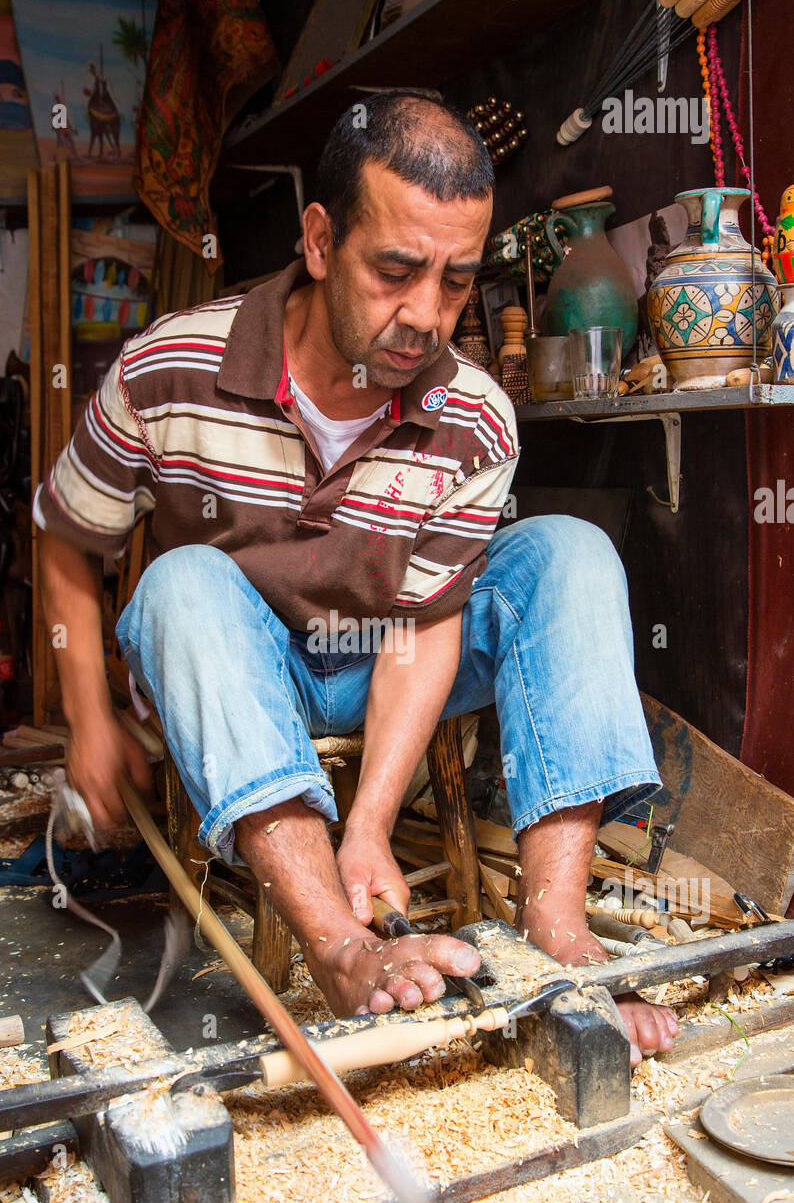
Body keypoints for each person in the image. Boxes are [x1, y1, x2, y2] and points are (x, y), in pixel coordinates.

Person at [34, 91, 677, 1065]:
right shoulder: (168, 368)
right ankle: (335, 947)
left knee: (570, 552)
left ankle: (558, 936)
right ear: (322, 239)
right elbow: (66, 540)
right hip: (239, 673)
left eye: (456, 282)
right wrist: (86, 715)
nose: (424, 316)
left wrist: (371, 821)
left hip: (392, 650)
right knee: (180, 584)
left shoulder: (474, 417)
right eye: (394, 271)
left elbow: (425, 626)